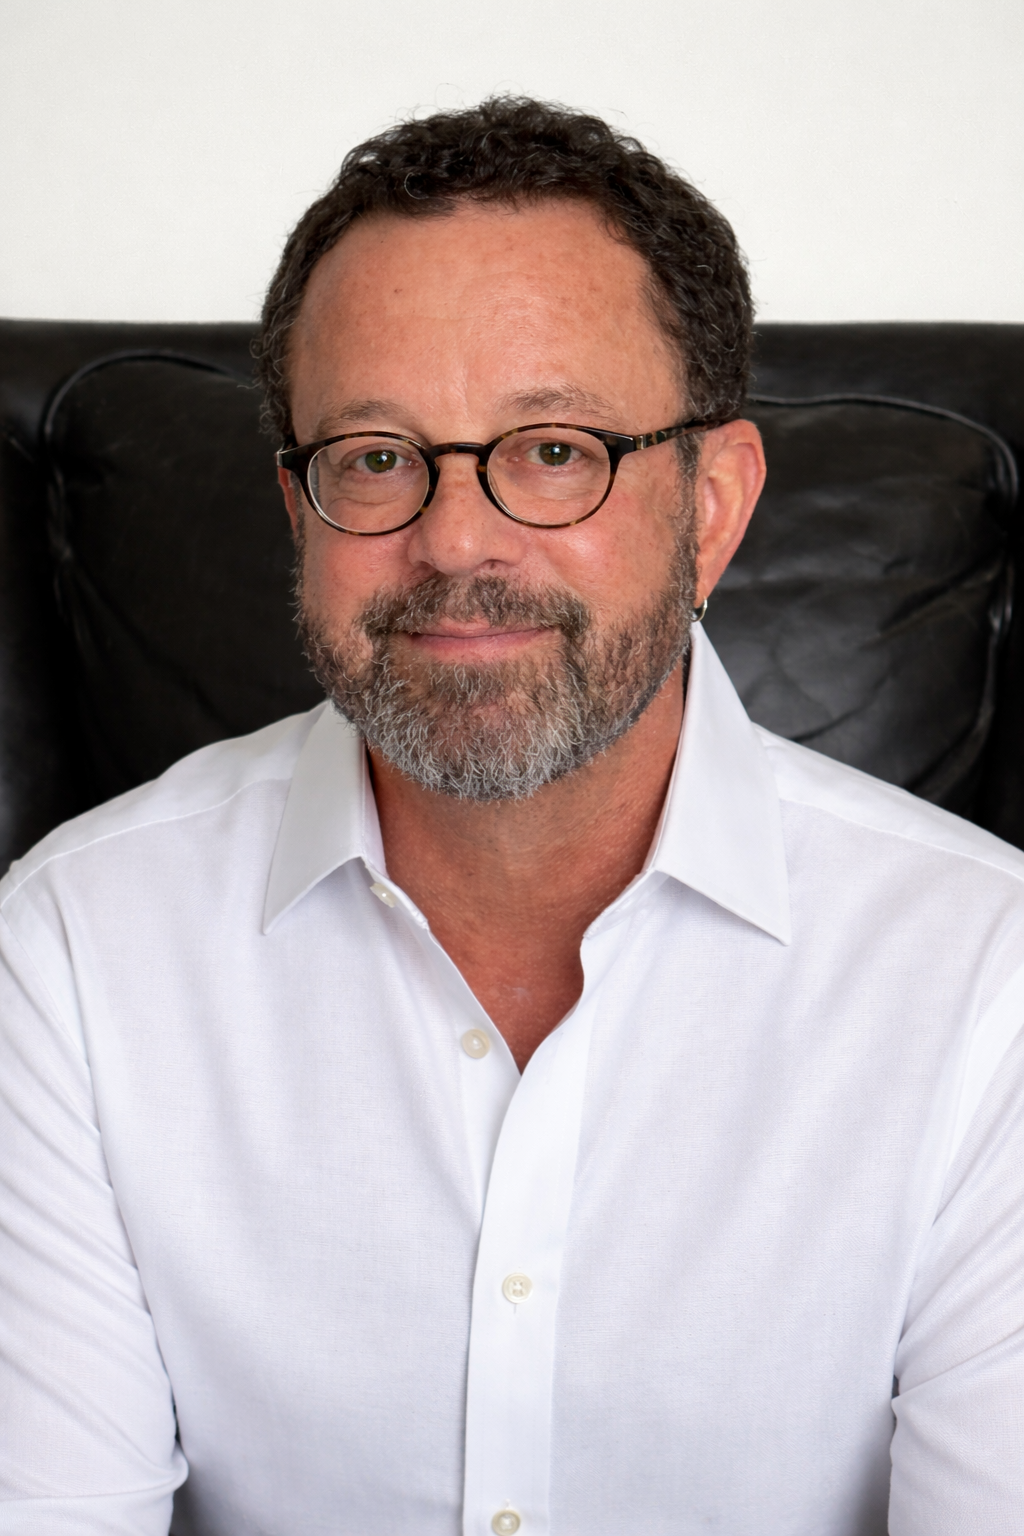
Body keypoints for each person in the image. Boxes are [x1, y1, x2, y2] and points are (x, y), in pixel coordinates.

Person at [1, 97, 1023, 1536]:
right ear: (298, 510)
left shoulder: (987, 984)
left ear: (713, 506)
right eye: (375, 455)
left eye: (552, 449)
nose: (456, 539)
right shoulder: (73, 954)